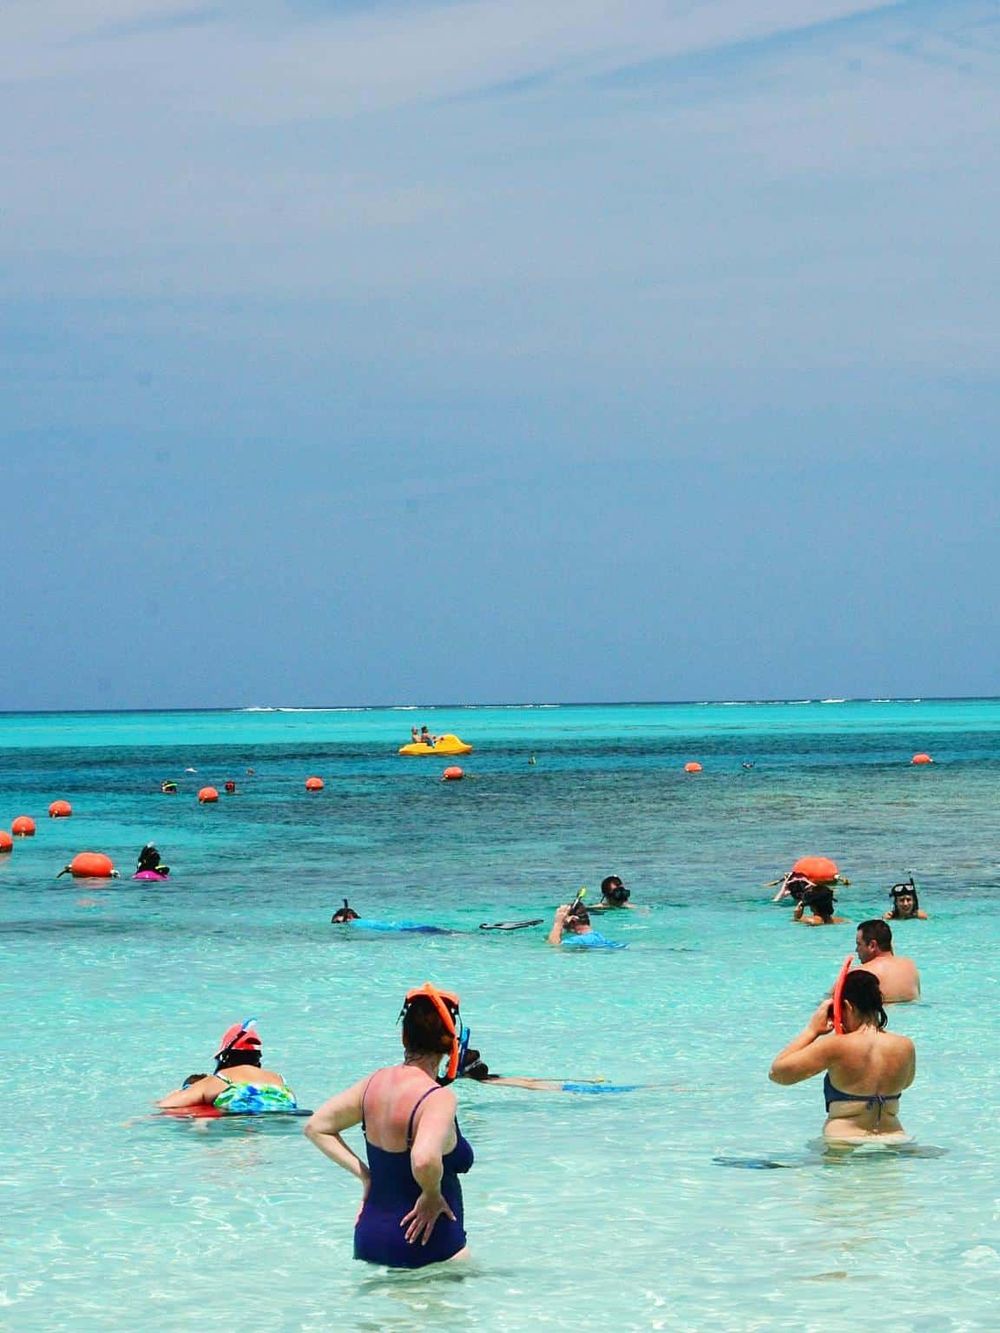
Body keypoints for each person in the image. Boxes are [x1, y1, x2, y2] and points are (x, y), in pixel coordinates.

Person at [304, 984, 474, 1269]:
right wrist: (431, 1194)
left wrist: (366, 1176)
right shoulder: (437, 1098)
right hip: (428, 1247)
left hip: (369, 1239)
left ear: (404, 1036)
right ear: (450, 1043)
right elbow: (423, 1159)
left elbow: (316, 1127)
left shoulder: (373, 1083)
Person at [769, 970, 915, 1142]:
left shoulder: (836, 1045)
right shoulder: (905, 1046)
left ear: (847, 1006)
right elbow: (906, 1083)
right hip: (894, 1138)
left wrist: (812, 1031)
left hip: (844, 1141)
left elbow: (778, 1074)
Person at [156, 1020, 298, 1114]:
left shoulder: (219, 1080)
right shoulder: (279, 1080)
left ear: (224, 1056)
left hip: (238, 1119)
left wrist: (175, 1094)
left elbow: (167, 1106)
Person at [456, 1048, 640, 1094]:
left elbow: (533, 1087)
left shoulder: (485, 1083)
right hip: (563, 1085)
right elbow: (533, 1080)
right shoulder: (496, 1076)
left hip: (561, 1090)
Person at [854, 920, 921, 1002]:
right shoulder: (910, 966)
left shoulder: (860, 974)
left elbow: (835, 1003)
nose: (856, 950)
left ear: (872, 945)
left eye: (858, 944)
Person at [547, 901, 626, 949]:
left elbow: (554, 946)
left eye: (564, 923)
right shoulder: (595, 936)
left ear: (573, 920)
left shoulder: (580, 940)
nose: (563, 926)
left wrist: (558, 923)